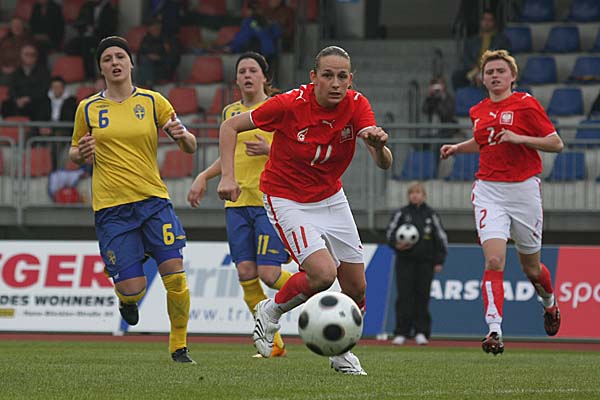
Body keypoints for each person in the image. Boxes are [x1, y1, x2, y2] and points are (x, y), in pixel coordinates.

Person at [217, 45, 393, 375]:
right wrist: (228, 176)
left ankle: (341, 352)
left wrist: (379, 147)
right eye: (328, 75)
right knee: (323, 274)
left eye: (342, 76)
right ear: (314, 77)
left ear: (350, 79)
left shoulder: (357, 105)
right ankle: (270, 311)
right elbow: (229, 127)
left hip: (331, 197)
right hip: (286, 198)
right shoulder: (289, 104)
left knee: (357, 287)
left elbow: (384, 163)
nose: (335, 83)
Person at [69, 36, 198, 363]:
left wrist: (183, 136)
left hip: (153, 201)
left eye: (120, 57)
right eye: (107, 59)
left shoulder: (154, 102)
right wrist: (80, 153)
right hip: (112, 209)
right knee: (133, 288)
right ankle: (126, 300)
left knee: (174, 273)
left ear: (131, 63)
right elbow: (73, 151)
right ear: (101, 69)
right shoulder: (88, 108)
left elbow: (190, 146)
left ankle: (179, 346)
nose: (114, 62)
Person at [440, 49, 563, 355]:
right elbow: (483, 141)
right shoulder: (478, 110)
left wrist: (521, 138)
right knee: (494, 261)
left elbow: (555, 143)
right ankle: (494, 330)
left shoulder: (526, 104)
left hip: (524, 191)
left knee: (532, 269)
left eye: (500, 71)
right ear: (482, 79)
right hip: (489, 191)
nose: (494, 76)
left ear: (513, 77)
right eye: (489, 72)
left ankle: (549, 304)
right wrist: (457, 148)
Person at [187, 52, 292, 358]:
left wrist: (269, 149)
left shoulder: (278, 108)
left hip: (268, 202)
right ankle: (274, 344)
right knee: (246, 271)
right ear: (236, 79)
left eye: (253, 70)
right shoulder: (231, 113)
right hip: (236, 204)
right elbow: (228, 155)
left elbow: (296, 151)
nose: (247, 75)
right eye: (242, 71)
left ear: (264, 77)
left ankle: (317, 288)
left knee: (269, 274)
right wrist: (204, 176)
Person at [385, 181, 447, 346]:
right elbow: (390, 233)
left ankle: (421, 332)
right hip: (404, 261)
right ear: (408, 196)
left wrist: (439, 260)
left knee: (422, 297)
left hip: (425, 263)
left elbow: (441, 238)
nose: (415, 195)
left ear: (424, 195)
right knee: (404, 296)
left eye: (418, 192)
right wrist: (396, 244)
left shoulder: (431, 215)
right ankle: (401, 332)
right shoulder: (401, 214)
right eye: (412, 193)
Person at [452, 9, 510, 90]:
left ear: (494, 23)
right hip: (474, 69)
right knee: (457, 76)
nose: (487, 23)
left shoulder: (501, 40)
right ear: (480, 22)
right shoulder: (471, 41)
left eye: (489, 20)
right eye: (484, 20)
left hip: (492, 70)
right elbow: (466, 58)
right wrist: (476, 71)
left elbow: (503, 59)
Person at [1, 44, 50, 120]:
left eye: (32, 54)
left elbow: (44, 90)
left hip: (35, 101)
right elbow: (11, 89)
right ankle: (8, 126)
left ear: (36, 57)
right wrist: (17, 99)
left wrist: (28, 98)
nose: (29, 57)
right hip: (19, 101)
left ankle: (37, 127)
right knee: (6, 104)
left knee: (43, 105)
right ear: (21, 56)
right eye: (26, 54)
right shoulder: (16, 72)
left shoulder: (43, 72)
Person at [39, 76, 77, 169]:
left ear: (63, 88)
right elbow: (40, 117)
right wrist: (42, 128)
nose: (56, 89)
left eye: (58, 87)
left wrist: (51, 130)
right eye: (54, 87)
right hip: (47, 128)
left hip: (63, 130)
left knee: (56, 139)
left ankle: (55, 169)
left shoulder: (71, 102)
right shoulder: (44, 101)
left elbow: (69, 118)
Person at [136, 17, 180, 87]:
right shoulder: (146, 39)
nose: (155, 28)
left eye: (157, 25)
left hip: (164, 68)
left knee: (145, 66)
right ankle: (146, 84)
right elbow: (139, 57)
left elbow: (175, 59)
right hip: (147, 67)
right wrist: (149, 57)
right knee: (144, 63)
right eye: (152, 26)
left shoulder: (169, 39)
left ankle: (147, 86)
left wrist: (159, 58)